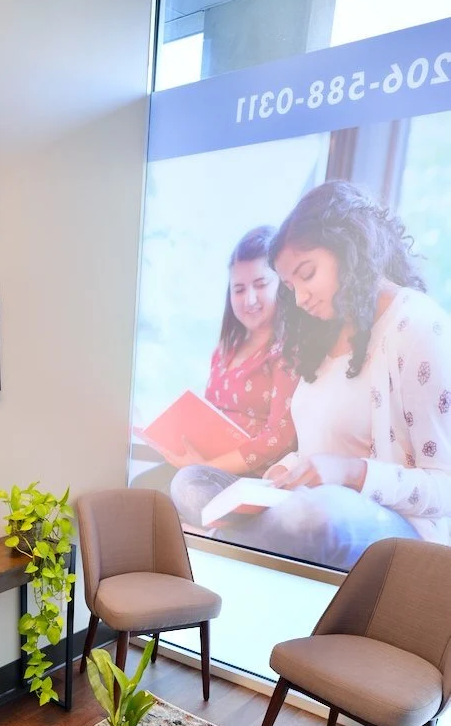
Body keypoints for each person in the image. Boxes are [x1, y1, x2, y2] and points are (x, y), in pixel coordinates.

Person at [196, 181, 451, 569]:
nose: (300, 298)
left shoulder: (418, 325)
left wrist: (350, 473)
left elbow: (444, 487)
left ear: (350, 249)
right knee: (192, 483)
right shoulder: (328, 332)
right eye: (290, 286)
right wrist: (289, 469)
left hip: (392, 527)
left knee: (319, 514)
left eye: (307, 273)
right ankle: (237, 532)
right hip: (313, 504)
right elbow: (318, 451)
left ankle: (221, 537)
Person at [136, 226, 299, 497]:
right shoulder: (226, 350)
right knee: (140, 488)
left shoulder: (286, 352)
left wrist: (206, 466)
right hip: (204, 464)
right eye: (239, 289)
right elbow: (208, 416)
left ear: (282, 285)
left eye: (260, 285)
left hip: (249, 476)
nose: (250, 299)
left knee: (167, 497)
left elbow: (278, 439)